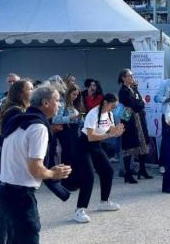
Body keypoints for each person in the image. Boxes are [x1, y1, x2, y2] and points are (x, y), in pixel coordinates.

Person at [0, 85, 71, 244]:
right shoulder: (38, 127)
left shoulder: (18, 121)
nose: (59, 104)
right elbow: (35, 168)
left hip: (5, 191)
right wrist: (53, 174)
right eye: (57, 100)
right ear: (46, 103)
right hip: (19, 196)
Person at [0, 79, 34, 244]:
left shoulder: (16, 109)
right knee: (7, 209)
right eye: (30, 89)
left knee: (10, 208)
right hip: (8, 164)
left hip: (10, 163)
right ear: (20, 93)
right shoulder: (15, 111)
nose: (33, 91)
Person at [67, 93, 124, 224]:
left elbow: (109, 128)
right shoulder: (93, 113)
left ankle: (104, 201)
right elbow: (91, 136)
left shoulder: (108, 114)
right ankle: (79, 210)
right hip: (84, 145)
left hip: (97, 145)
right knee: (89, 177)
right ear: (105, 103)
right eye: (112, 106)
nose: (113, 109)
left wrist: (117, 130)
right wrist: (110, 135)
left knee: (108, 171)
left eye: (115, 107)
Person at [118, 69, 151, 182]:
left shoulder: (133, 89)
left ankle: (142, 169)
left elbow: (140, 102)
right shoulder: (123, 91)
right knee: (129, 146)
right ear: (123, 78)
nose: (132, 78)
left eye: (132, 76)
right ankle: (127, 173)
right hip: (130, 121)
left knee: (143, 144)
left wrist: (140, 102)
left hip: (139, 119)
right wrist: (140, 103)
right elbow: (136, 105)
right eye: (129, 76)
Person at [53, 84, 83, 168]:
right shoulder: (62, 104)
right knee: (67, 156)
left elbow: (79, 121)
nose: (75, 97)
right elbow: (56, 119)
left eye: (77, 95)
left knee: (73, 157)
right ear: (68, 93)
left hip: (74, 133)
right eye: (74, 94)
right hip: (66, 133)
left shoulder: (75, 105)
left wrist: (81, 118)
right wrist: (70, 118)